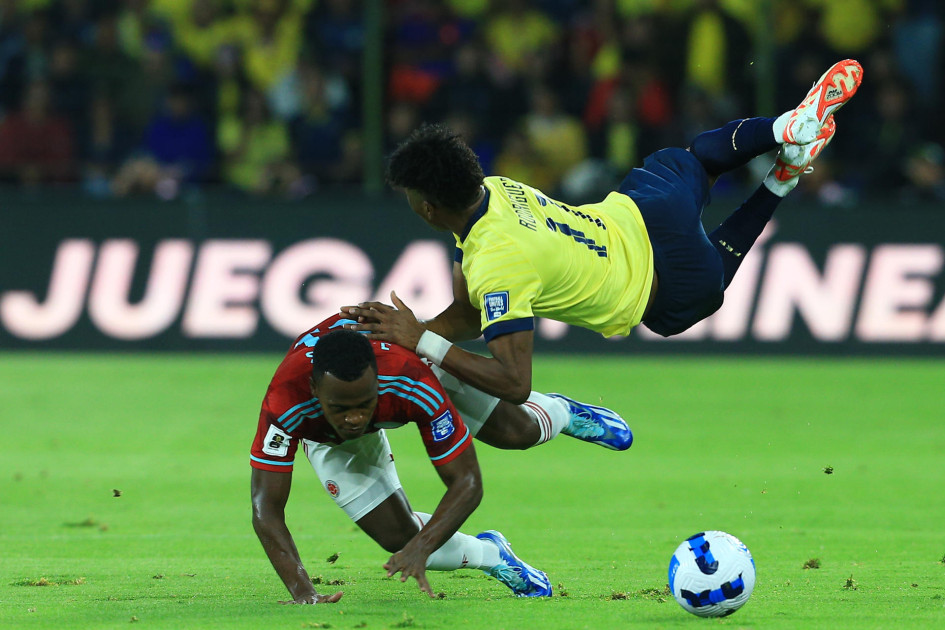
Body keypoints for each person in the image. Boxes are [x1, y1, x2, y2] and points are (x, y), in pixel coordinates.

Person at [342, 59, 863, 404]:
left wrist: (423, 343)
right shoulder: (493, 189)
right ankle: (784, 131)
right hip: (645, 212)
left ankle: (779, 182)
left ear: (429, 208)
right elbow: (470, 315)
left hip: (663, 288)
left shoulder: (496, 261)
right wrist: (414, 333)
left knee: (695, 300)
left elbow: (515, 384)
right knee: (695, 158)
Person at [251, 311, 632, 604]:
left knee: (518, 433)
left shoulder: (409, 379)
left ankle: (564, 413)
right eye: (341, 408)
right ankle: (492, 555)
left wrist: (424, 545)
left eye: (364, 404)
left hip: (408, 370)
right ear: (315, 389)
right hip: (328, 439)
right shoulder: (285, 403)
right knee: (396, 537)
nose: (355, 418)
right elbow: (266, 508)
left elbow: (467, 482)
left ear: (377, 385)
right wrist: (305, 594)